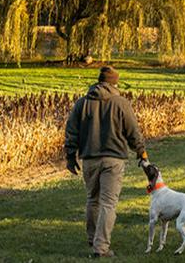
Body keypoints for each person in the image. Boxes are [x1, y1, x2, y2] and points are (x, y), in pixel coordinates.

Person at [65, 66, 148, 258]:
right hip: (113, 160)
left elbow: (71, 131)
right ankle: (101, 248)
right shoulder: (121, 103)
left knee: (92, 200)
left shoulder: (82, 103)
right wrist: (141, 152)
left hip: (89, 159)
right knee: (108, 203)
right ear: (114, 83)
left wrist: (71, 156)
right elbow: (133, 132)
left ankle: (92, 238)